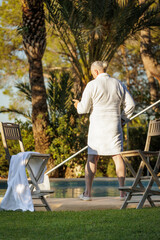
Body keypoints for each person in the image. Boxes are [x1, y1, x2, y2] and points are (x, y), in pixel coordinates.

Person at [73, 61, 135, 201]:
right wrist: (123, 119)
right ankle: (122, 193)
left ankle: (88, 194)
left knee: (92, 157)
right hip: (114, 125)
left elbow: (83, 109)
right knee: (117, 156)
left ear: (95, 71)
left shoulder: (92, 85)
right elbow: (131, 104)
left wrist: (77, 105)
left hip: (97, 127)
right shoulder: (118, 83)